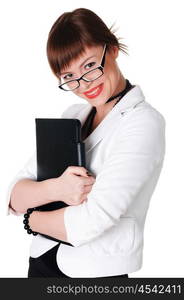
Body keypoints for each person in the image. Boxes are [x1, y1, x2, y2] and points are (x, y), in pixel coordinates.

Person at [6, 8, 166, 278]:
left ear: (112, 49)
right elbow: (14, 195)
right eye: (69, 76)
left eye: (90, 65)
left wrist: (32, 219)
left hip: (95, 274)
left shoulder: (143, 123)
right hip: (42, 263)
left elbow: (90, 222)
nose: (84, 84)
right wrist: (58, 187)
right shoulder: (73, 117)